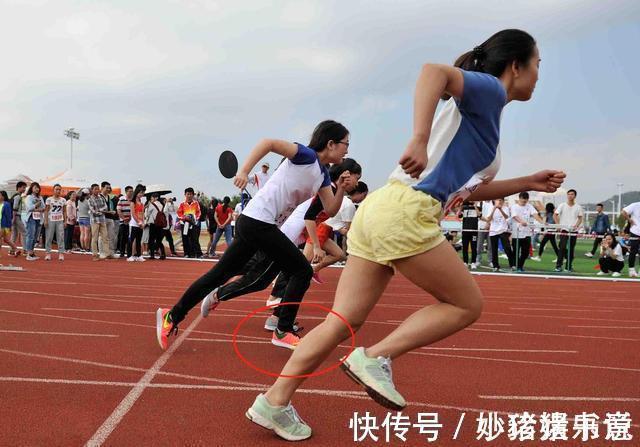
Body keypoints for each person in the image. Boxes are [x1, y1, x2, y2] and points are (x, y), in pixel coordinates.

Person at [245, 30, 566, 441]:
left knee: (341, 321)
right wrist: (417, 138)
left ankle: (273, 401)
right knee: (466, 305)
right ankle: (376, 357)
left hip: (382, 208)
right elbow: (432, 72)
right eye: (537, 64)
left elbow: (467, 189)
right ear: (515, 66)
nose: (539, 74)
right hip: (408, 211)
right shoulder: (488, 90)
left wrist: (530, 181)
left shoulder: (480, 114)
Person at [157, 120, 352, 351]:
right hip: (259, 220)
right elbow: (268, 143)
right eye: (345, 144)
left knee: (219, 275)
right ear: (330, 144)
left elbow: (330, 209)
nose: (347, 149)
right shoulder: (306, 155)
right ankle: (283, 329)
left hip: (257, 224)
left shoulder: (323, 176)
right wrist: (244, 171)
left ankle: (172, 316)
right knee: (301, 270)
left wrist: (340, 188)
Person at [509, 191, 542, 272]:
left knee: (526, 252)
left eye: (525, 201)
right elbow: (514, 216)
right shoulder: (514, 207)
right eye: (522, 200)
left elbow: (535, 215)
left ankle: (520, 266)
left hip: (527, 233)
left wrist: (542, 222)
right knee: (516, 251)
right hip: (516, 233)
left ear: (527, 200)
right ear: (519, 198)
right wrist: (521, 222)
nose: (524, 202)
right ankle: (515, 266)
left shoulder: (529, 206)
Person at [554, 189, 583, 272]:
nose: (570, 196)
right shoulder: (562, 205)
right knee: (562, 247)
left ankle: (568, 266)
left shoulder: (578, 207)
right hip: (564, 230)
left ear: (575, 196)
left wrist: (576, 225)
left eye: (572, 194)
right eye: (569, 194)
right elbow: (555, 215)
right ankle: (558, 266)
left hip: (573, 231)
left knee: (571, 249)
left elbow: (580, 218)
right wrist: (558, 225)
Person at [484, 198, 515, 272]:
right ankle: (496, 266)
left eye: (501, 200)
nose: (499, 201)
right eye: (498, 200)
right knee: (494, 249)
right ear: (494, 201)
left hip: (503, 230)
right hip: (493, 231)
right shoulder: (491, 208)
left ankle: (512, 265)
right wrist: (494, 209)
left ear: (503, 201)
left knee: (507, 248)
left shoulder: (506, 208)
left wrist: (500, 209)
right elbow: (488, 219)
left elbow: (507, 217)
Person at [88, 183, 112, 261]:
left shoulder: (101, 198)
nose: (97, 190)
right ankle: (95, 255)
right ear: (92, 190)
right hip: (94, 221)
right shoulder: (90, 199)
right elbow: (93, 211)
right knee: (94, 238)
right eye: (95, 189)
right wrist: (101, 211)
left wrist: (100, 210)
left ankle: (107, 254)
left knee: (105, 237)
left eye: (98, 189)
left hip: (102, 220)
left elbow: (105, 207)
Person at [43, 184, 67, 261]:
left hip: (60, 220)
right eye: (56, 189)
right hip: (51, 219)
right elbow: (46, 210)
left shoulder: (63, 200)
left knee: (60, 236)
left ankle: (61, 253)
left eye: (59, 189)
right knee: (49, 236)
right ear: (53, 190)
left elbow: (64, 211)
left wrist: (65, 221)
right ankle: (48, 253)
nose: (58, 191)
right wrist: (45, 220)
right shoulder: (49, 199)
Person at [177, 187, 201, 258]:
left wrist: (194, 219)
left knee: (195, 239)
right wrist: (184, 218)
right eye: (188, 194)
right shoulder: (182, 204)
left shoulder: (196, 203)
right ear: (185, 195)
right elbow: (179, 213)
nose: (189, 196)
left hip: (193, 223)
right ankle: (186, 253)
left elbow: (198, 213)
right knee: (185, 239)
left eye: (191, 194)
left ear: (193, 195)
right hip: (185, 224)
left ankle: (197, 254)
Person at [24, 182, 45, 261]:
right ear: (31, 188)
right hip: (31, 218)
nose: (37, 189)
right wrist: (37, 205)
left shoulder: (40, 197)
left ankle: (32, 252)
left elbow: (43, 207)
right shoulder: (29, 197)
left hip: (38, 218)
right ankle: (28, 253)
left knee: (36, 236)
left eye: (38, 187)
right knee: (30, 235)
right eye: (35, 187)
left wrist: (38, 208)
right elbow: (29, 208)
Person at [458, 200, 480, 269]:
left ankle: (473, 262)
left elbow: (479, 215)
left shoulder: (477, 207)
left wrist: (475, 206)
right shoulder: (464, 208)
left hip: (474, 231)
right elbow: (459, 215)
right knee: (465, 247)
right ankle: (465, 262)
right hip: (465, 231)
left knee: (474, 247)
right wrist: (461, 207)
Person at [127, 184, 146, 262]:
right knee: (131, 240)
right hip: (134, 224)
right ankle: (129, 256)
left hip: (140, 224)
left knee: (139, 240)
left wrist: (143, 222)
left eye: (143, 193)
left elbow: (142, 213)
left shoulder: (141, 203)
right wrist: (139, 222)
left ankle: (139, 255)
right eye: (140, 192)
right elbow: (133, 214)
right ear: (137, 192)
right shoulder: (132, 202)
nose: (142, 194)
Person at [621, 201, 640, 278]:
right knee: (633, 252)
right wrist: (629, 220)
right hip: (635, 231)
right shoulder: (635, 205)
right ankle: (631, 270)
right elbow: (623, 211)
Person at [146, 193, 167, 260]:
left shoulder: (151, 204)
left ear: (155, 198)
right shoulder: (161, 204)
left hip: (153, 224)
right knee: (159, 240)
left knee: (151, 240)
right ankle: (163, 254)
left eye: (152, 198)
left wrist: (148, 206)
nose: (151, 199)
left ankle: (152, 255)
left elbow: (148, 214)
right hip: (160, 224)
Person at [0, 191, 20, 256]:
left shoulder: (6, 204)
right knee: (6, 240)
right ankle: (16, 249)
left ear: (3, 196)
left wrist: (9, 226)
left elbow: (9, 216)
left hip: (3, 225)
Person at [9, 181, 27, 255]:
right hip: (16, 216)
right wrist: (13, 218)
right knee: (24, 233)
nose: (24, 189)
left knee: (14, 234)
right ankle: (25, 250)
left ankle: (11, 250)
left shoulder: (14, 196)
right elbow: (15, 208)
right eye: (23, 187)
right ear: (19, 188)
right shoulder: (18, 196)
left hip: (14, 216)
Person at [117, 186, 133, 258]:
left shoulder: (133, 200)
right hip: (123, 221)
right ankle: (122, 252)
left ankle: (129, 252)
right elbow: (119, 210)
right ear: (126, 192)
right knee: (123, 237)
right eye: (130, 191)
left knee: (130, 238)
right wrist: (124, 219)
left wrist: (130, 219)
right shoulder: (121, 199)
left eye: (132, 191)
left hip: (131, 221)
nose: (131, 192)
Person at [475, 200, 493, 266]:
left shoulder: (493, 203)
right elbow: (479, 215)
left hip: (491, 228)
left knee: (490, 245)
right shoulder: (480, 203)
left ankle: (490, 261)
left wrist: (489, 224)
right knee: (479, 245)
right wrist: (488, 222)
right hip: (481, 227)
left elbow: (493, 215)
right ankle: (478, 260)